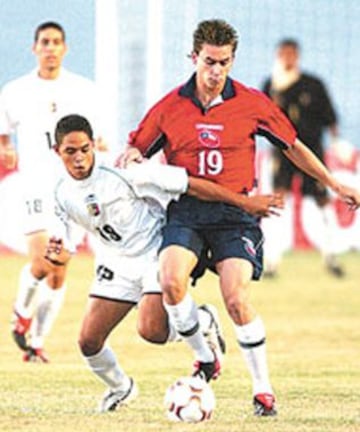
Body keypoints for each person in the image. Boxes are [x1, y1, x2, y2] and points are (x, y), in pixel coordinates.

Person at [119, 19, 360, 417]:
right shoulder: (168, 107)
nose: (216, 72)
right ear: (194, 58)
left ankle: (263, 390)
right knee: (170, 285)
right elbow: (136, 149)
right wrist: (131, 157)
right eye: (209, 62)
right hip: (188, 212)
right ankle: (205, 355)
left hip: (236, 215)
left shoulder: (251, 103)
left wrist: (336, 184)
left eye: (224, 63)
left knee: (236, 298)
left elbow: (293, 146)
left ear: (232, 61)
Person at [45, 114, 284, 412]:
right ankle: (121, 388)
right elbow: (65, 245)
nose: (79, 158)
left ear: (93, 145)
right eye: (70, 151)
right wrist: (59, 254)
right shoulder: (58, 191)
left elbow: (189, 184)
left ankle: (204, 329)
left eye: (84, 149)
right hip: (114, 261)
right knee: (88, 342)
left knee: (151, 331)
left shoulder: (125, 172)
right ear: (57, 151)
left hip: (153, 253)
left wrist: (244, 202)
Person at [0, 21, 106, 362]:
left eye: (56, 42)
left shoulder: (83, 89)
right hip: (34, 185)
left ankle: (36, 341)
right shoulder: (16, 91)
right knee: (43, 260)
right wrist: (6, 147)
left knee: (60, 270)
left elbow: (96, 137)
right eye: (44, 42)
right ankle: (21, 310)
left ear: (65, 48)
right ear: (35, 48)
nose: (50, 48)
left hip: (71, 188)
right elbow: (3, 131)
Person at [261, 38, 345, 277]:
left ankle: (332, 256)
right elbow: (262, 118)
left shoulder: (313, 85)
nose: (287, 58)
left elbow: (331, 119)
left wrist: (337, 144)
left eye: (291, 54)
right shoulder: (272, 85)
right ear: (278, 56)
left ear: (297, 56)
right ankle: (272, 260)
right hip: (282, 152)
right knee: (278, 201)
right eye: (283, 54)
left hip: (311, 153)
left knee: (322, 200)